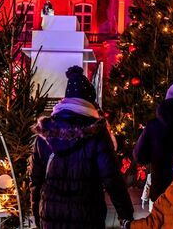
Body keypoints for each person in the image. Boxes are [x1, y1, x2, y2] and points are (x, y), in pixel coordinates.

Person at [29, 66, 133, 229]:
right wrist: (126, 215)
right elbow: (112, 179)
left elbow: (36, 180)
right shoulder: (97, 132)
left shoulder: (46, 133)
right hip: (87, 215)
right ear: (89, 102)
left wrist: (37, 213)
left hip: (51, 215)